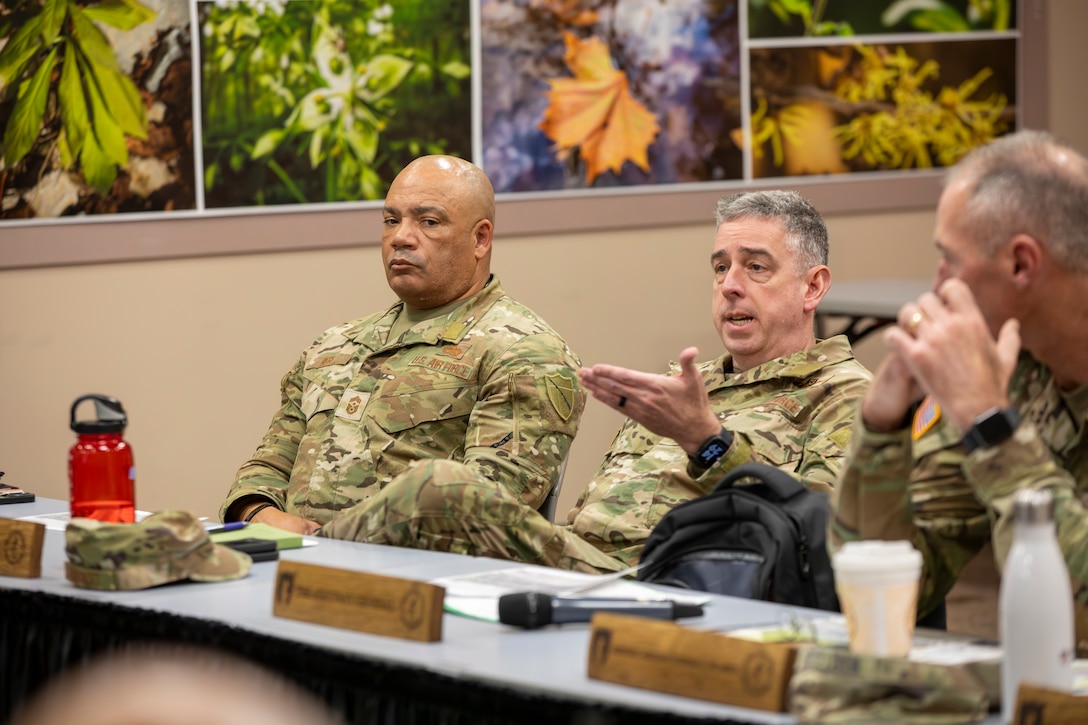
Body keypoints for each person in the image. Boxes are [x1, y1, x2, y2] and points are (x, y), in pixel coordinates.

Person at [318, 190, 871, 573]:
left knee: (441, 491)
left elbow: (822, 541)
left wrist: (712, 443)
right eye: (720, 266)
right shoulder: (684, 386)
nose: (729, 286)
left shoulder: (844, 394)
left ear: (812, 287)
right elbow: (591, 513)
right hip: (584, 572)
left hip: (681, 587)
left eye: (756, 267)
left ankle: (300, 557)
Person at [219, 155, 586, 534]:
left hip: (419, 579)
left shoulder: (524, 352)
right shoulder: (333, 346)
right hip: (295, 567)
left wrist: (333, 542)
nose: (400, 237)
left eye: (428, 222)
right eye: (391, 220)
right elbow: (265, 469)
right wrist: (257, 514)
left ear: (480, 238)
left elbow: (486, 510)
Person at [828, 130, 1088, 651]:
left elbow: (1074, 617)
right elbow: (897, 581)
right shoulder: (1011, 368)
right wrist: (883, 432)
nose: (937, 282)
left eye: (950, 258)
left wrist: (993, 426)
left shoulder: (989, 390)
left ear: (1020, 263)